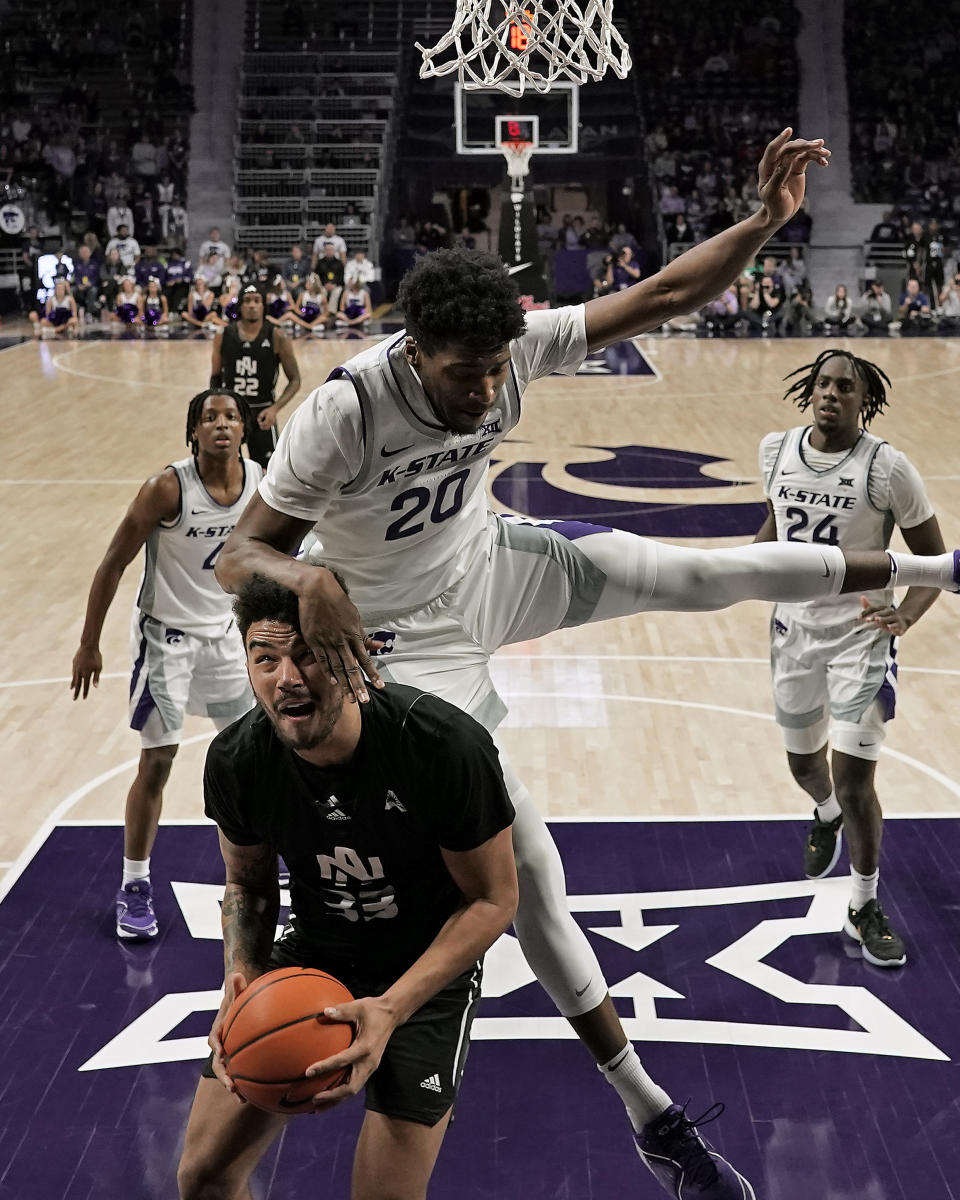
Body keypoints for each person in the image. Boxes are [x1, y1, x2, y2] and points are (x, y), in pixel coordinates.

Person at [215, 130, 960, 1199]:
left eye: (495, 370)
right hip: (394, 648)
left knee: (690, 572)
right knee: (530, 885)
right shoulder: (346, 409)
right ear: (414, 352)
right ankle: (652, 1115)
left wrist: (759, 223)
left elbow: (657, 298)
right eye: (463, 375)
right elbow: (239, 548)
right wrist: (308, 582)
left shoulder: (511, 346)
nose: (485, 392)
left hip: (486, 567)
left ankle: (936, 563)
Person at [176, 576, 519, 1200]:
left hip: (423, 963)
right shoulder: (238, 760)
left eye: (308, 653)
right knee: (201, 1177)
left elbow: (493, 900)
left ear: (353, 653)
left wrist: (392, 1008)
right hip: (316, 952)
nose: (287, 677)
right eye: (265, 658)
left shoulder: (442, 746)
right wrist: (244, 974)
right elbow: (248, 885)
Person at [754, 351, 946, 967]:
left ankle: (864, 904)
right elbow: (775, 526)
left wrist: (907, 617)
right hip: (795, 631)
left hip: (862, 641)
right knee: (803, 764)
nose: (830, 393)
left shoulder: (887, 469)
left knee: (855, 776)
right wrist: (728, 572)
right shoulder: (775, 451)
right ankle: (824, 814)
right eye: (823, 383)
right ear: (809, 390)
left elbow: (934, 562)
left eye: (845, 386)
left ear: (865, 399)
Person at [70, 390, 263, 941]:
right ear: (193, 432)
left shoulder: (260, 483)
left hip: (228, 636)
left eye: (230, 417)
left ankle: (256, 877)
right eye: (209, 418)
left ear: (244, 429)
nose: (221, 425)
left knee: (252, 760)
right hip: (166, 639)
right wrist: (90, 642)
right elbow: (113, 562)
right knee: (157, 761)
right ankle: (134, 884)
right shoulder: (167, 488)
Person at [210, 285, 301, 468]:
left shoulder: (277, 335)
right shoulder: (223, 335)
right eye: (247, 301)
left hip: (262, 413)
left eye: (256, 301)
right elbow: (215, 377)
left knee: (266, 474)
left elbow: (295, 380)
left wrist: (275, 409)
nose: (252, 305)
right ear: (240, 306)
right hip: (232, 412)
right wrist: (218, 409)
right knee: (224, 470)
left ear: (263, 305)